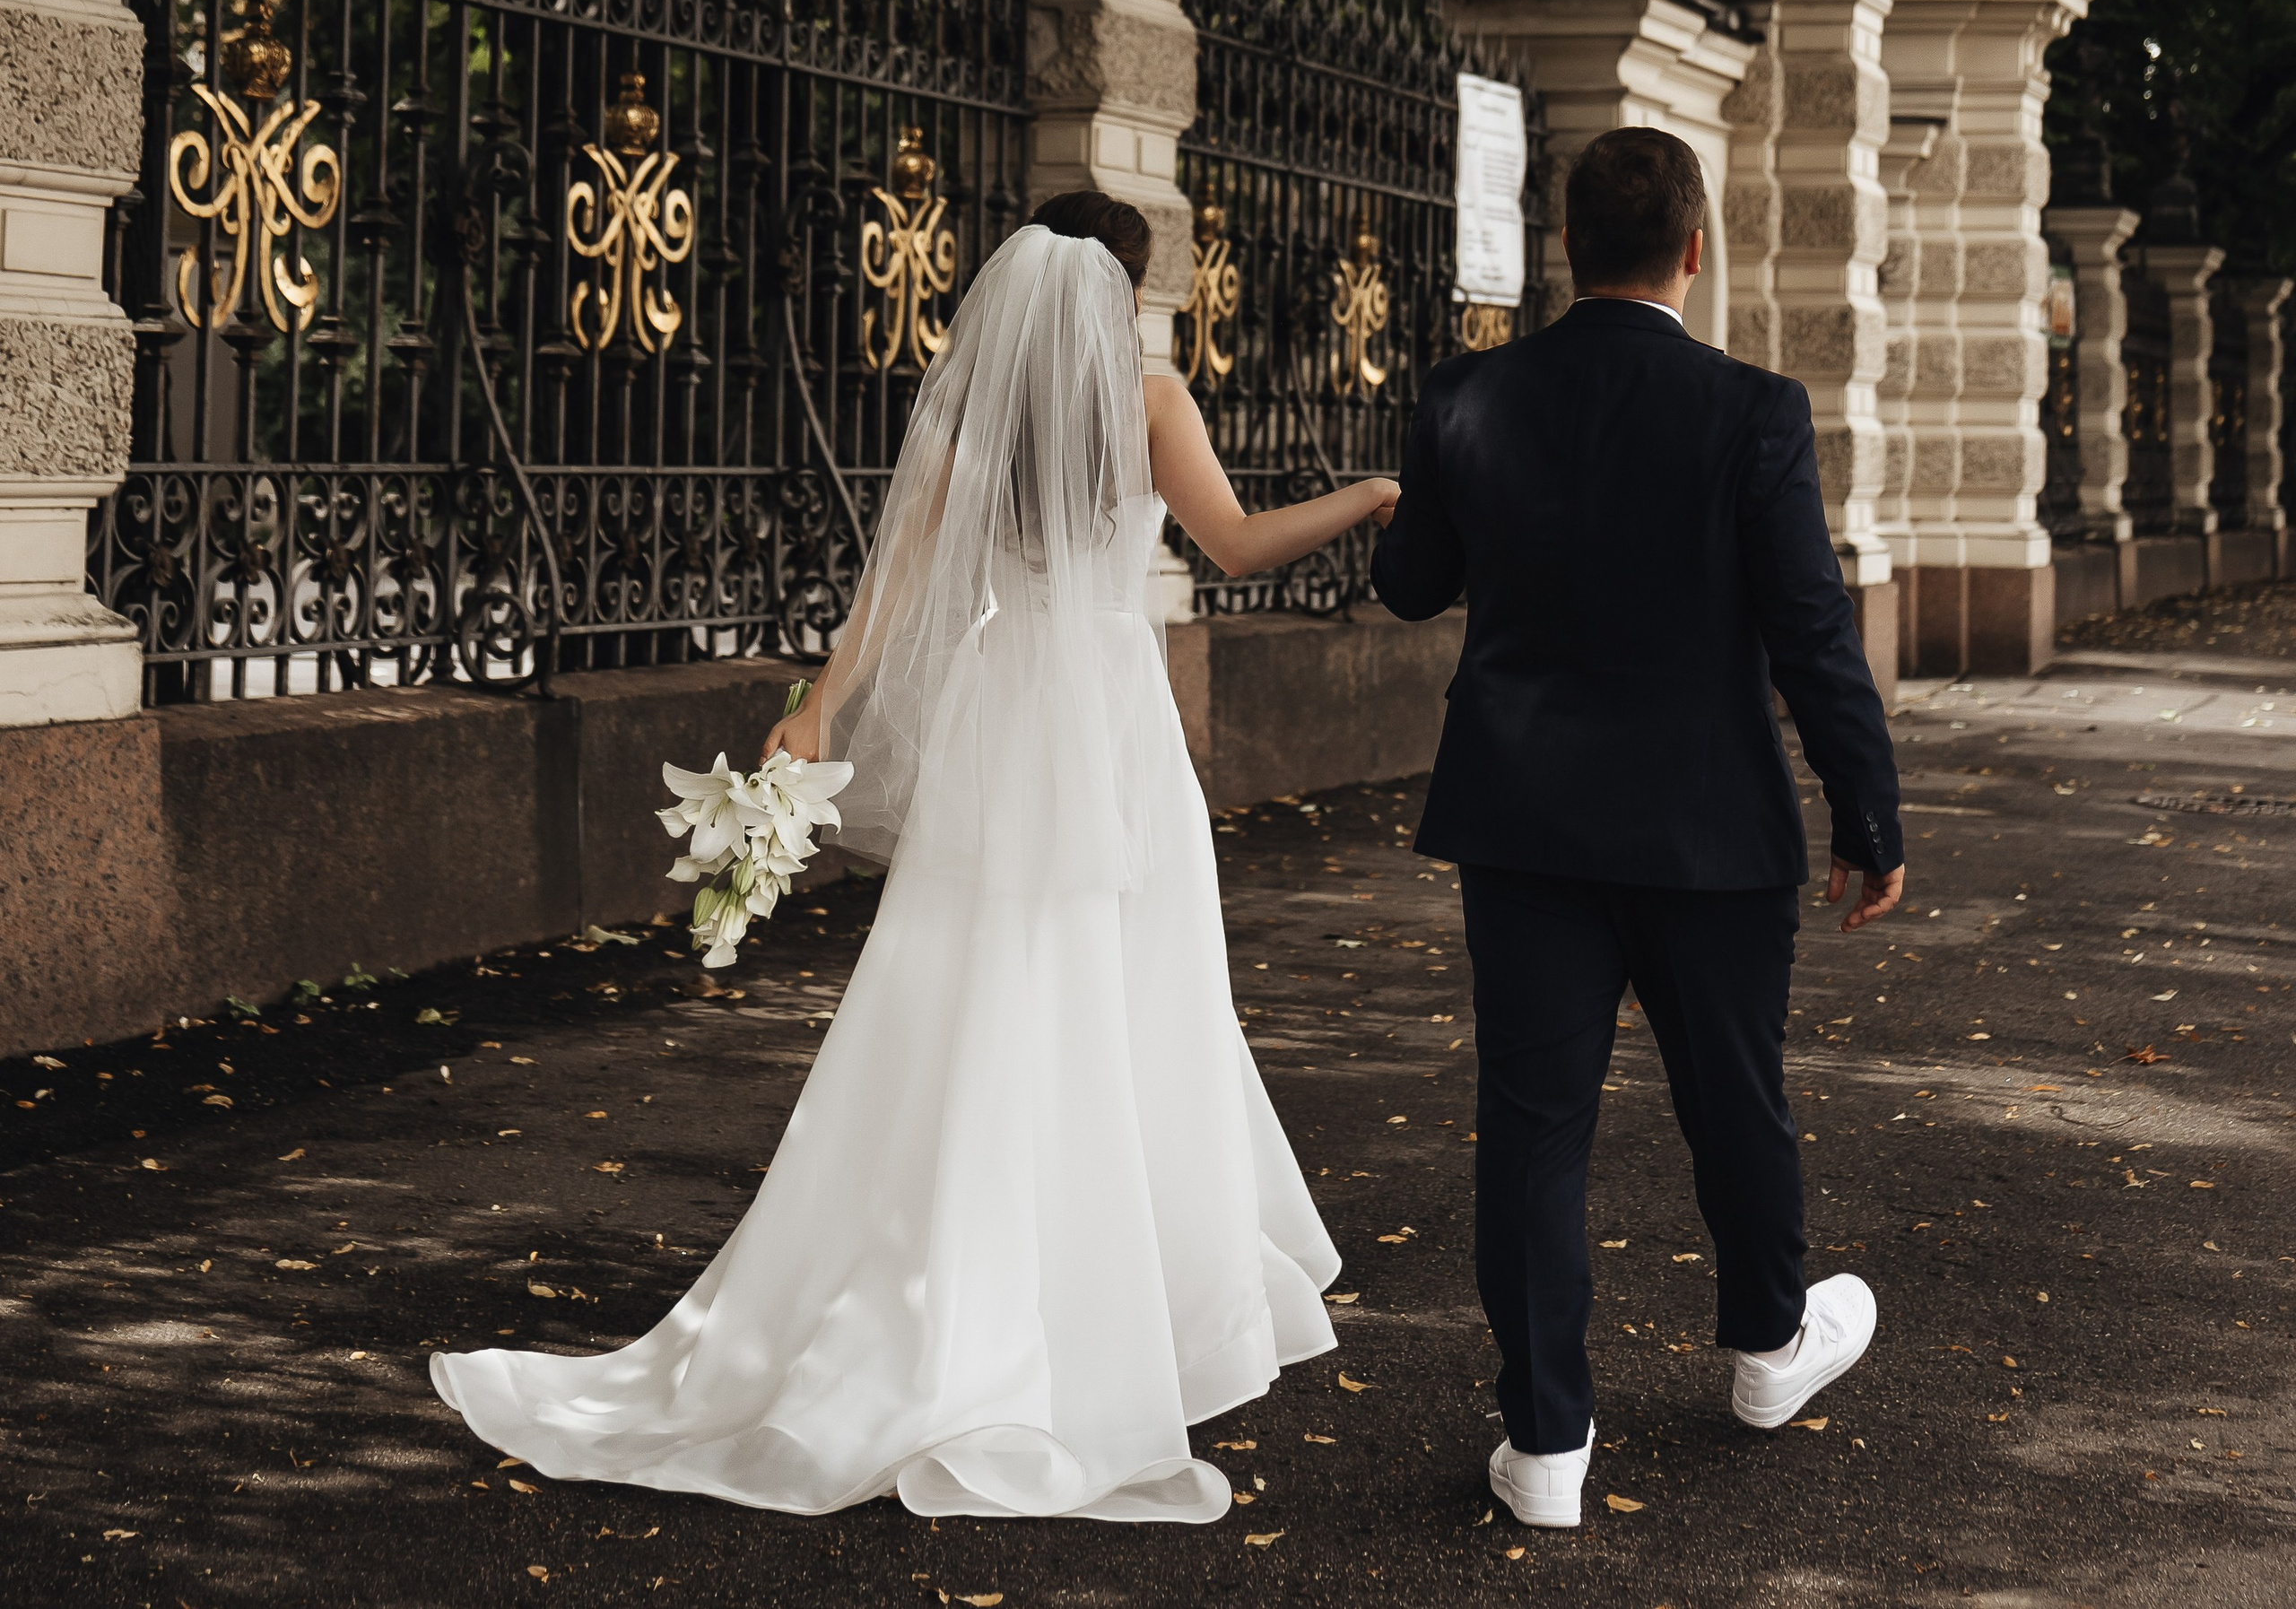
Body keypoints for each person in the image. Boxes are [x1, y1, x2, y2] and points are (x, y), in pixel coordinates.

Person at [430, 194, 1398, 1522]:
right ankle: (1131, 1298)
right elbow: (1237, 544)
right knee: (1135, 994)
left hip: (1006, 717)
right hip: (1110, 720)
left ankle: (953, 1268)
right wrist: (1376, 493)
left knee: (975, 987)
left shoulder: (981, 407)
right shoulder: (1149, 398)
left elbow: (892, 593)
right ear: (1119, 290)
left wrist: (820, 708)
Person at [1370, 126, 1904, 1532]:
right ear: (1695, 245)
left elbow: (1413, 583)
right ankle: (1770, 1352)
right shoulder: (1755, 410)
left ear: (1566, 246)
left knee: (1533, 1127)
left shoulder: (1466, 394)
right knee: (1736, 1094)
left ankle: (1546, 1445)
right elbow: (1812, 634)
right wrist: (1868, 810)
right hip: (1712, 828)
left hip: (1524, 822)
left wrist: (1418, 498)